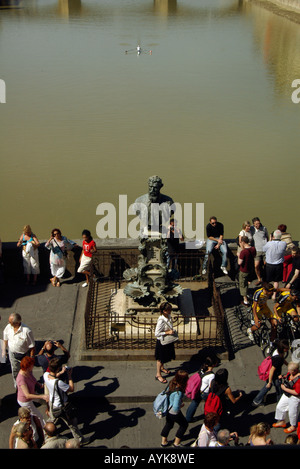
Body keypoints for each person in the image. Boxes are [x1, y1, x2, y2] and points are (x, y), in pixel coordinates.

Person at [44, 357, 88, 445]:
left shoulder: (45, 375)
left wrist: (61, 372)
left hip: (52, 404)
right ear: (57, 368)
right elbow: (71, 388)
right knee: (71, 424)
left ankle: (45, 435)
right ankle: (80, 440)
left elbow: (53, 376)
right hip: (62, 406)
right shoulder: (58, 383)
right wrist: (69, 376)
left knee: (52, 420)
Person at [252, 339, 289, 407]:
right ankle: (280, 404)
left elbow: (283, 359)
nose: (288, 349)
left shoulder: (277, 352)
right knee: (279, 391)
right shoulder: (278, 359)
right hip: (276, 376)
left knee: (267, 387)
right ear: (283, 349)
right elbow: (272, 370)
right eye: (287, 348)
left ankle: (256, 400)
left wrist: (288, 365)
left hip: (272, 375)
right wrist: (270, 381)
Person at [2, 312, 35, 388]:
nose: (8, 323)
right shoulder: (8, 327)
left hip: (24, 355)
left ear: (16, 323)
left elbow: (32, 346)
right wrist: (4, 350)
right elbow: (5, 339)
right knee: (15, 371)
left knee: (27, 372)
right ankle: (18, 386)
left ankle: (29, 386)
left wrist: (31, 358)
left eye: (10, 322)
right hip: (12, 354)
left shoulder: (27, 331)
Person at [16, 356, 49, 428]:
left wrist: (39, 384)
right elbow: (27, 395)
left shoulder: (28, 371)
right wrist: (42, 396)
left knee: (44, 401)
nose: (33, 366)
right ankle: (44, 429)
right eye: (32, 365)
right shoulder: (21, 379)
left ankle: (48, 411)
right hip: (25, 401)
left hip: (32, 394)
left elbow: (32, 378)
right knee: (38, 415)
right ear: (28, 367)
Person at [160, 369, 189, 447]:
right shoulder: (178, 392)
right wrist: (180, 405)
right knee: (184, 425)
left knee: (169, 424)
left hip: (168, 408)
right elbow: (176, 407)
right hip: (173, 411)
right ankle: (177, 443)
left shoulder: (172, 382)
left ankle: (164, 442)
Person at [185, 356, 217, 423]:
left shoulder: (202, 369)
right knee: (209, 405)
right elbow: (211, 387)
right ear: (214, 364)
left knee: (194, 403)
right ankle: (209, 418)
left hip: (198, 389)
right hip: (205, 393)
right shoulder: (212, 375)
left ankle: (188, 417)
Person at [272, 362, 300, 434]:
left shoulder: (299, 380)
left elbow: (297, 392)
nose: (288, 372)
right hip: (287, 394)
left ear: (295, 370)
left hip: (295, 397)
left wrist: (284, 389)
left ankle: (293, 426)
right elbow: (287, 376)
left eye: (290, 371)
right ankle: (282, 421)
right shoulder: (290, 373)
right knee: (279, 406)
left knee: (292, 412)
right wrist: (283, 376)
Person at [154, 302, 177, 384]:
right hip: (162, 341)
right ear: (164, 311)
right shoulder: (161, 320)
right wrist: (167, 332)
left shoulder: (169, 316)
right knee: (160, 359)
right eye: (169, 310)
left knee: (163, 357)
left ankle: (162, 368)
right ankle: (158, 374)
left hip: (167, 340)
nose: (170, 311)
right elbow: (156, 333)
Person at [263, 229, 287, 299]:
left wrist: (270, 240)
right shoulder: (284, 244)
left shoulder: (269, 244)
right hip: (279, 265)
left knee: (266, 280)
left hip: (269, 265)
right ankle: (274, 295)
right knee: (276, 281)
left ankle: (266, 293)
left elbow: (264, 249)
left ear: (273, 236)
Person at [238, 236, 256, 305]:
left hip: (244, 270)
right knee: (247, 282)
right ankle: (247, 293)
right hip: (250, 269)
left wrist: (240, 255)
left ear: (242, 242)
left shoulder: (243, 252)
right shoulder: (253, 249)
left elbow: (239, 263)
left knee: (243, 285)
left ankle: (245, 300)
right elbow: (254, 256)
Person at [250, 217, 269, 284]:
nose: (258, 225)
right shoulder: (251, 229)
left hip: (264, 249)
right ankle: (259, 278)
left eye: (259, 223)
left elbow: (267, 236)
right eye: (256, 224)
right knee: (256, 265)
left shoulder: (264, 228)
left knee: (266, 264)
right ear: (254, 224)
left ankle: (265, 279)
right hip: (257, 250)